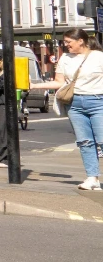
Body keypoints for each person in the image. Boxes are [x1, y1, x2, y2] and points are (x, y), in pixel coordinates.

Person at [57, 29, 103, 189]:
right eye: (65, 42)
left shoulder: (99, 57)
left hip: (98, 102)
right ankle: (92, 178)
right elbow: (59, 82)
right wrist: (33, 85)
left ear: (80, 41)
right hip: (74, 105)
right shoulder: (65, 58)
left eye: (68, 42)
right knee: (85, 142)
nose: (66, 45)